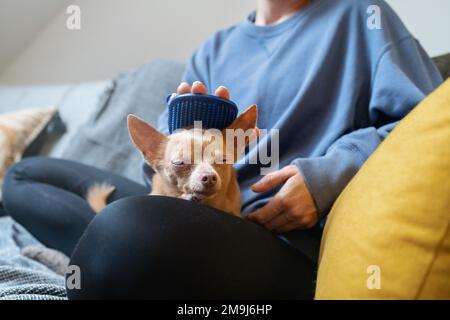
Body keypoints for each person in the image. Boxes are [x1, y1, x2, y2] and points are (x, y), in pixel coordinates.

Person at [2, 0, 442, 299]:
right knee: (23, 177)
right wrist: (178, 139)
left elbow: (428, 122)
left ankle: (109, 252)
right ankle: (111, 251)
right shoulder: (215, 48)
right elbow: (159, 165)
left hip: (270, 234)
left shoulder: (361, 17)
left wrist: (330, 173)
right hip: (188, 204)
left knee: (125, 229)